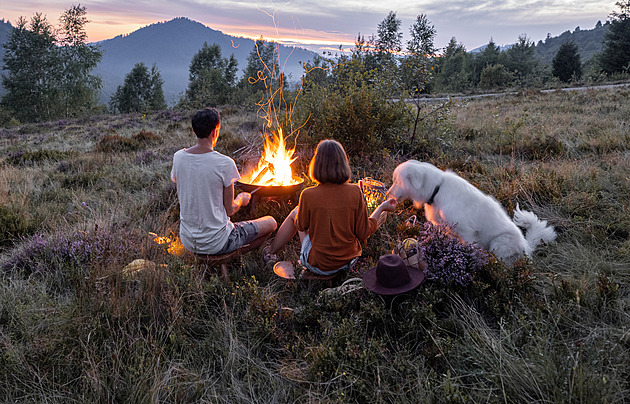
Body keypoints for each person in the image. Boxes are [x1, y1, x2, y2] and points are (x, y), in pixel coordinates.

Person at [264, 139, 397, 275]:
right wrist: (381, 208)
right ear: (343, 163)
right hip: (348, 262)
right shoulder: (356, 191)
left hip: (318, 265)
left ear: (317, 164)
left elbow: (301, 225)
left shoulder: (308, 195)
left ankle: (271, 253)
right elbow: (363, 233)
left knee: (295, 213)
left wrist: (313, 216)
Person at [171, 107, 277, 256]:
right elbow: (230, 210)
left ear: (195, 131)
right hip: (217, 242)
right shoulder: (225, 163)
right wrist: (241, 199)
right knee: (271, 222)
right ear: (215, 131)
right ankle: (234, 255)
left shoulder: (178, 157)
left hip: (188, 240)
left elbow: (184, 183)